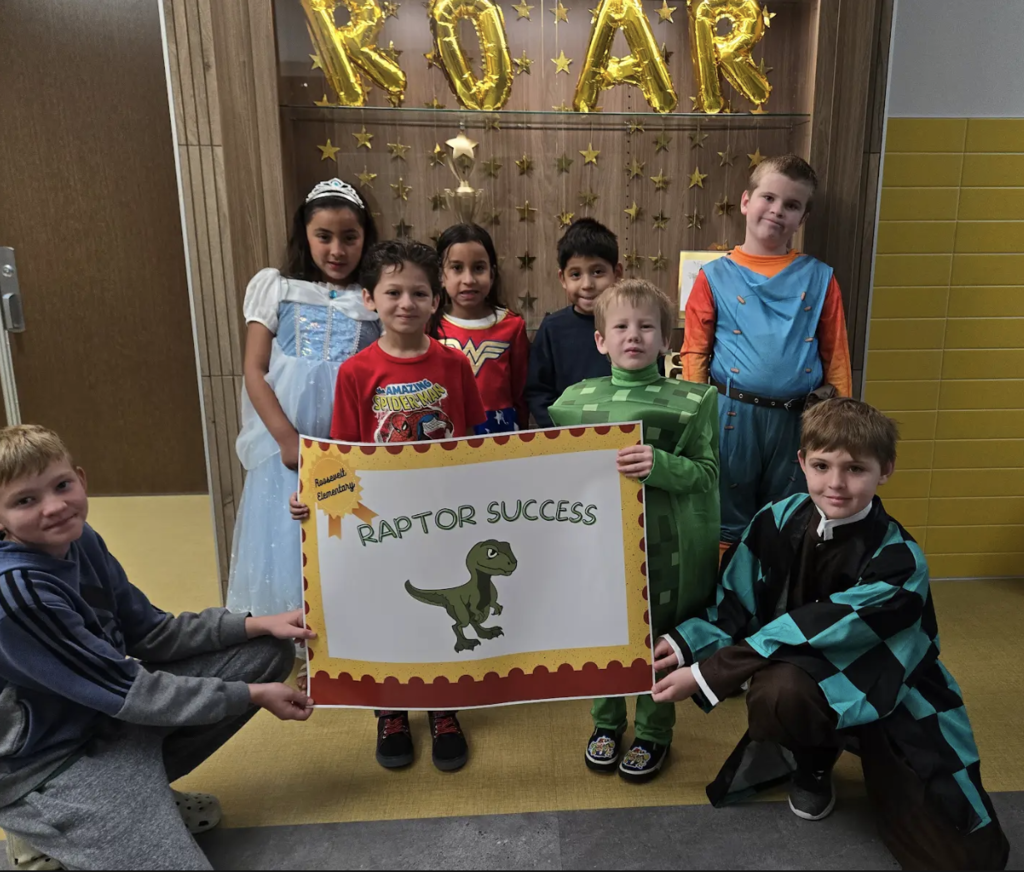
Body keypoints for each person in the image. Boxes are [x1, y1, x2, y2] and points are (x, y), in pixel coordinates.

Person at [651, 398, 1010, 871]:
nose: (836, 483)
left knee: (965, 856)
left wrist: (707, 675)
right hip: (805, 685)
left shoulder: (900, 561)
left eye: (855, 468)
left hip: (891, 690)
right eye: (822, 466)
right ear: (801, 462)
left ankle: (871, 756)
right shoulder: (775, 519)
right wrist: (681, 646)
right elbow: (734, 605)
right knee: (778, 690)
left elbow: (811, 628)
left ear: (886, 470)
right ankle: (813, 763)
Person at [0, 425, 314, 872]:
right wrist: (250, 695)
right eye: (25, 501)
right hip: (47, 762)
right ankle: (45, 825)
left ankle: (135, 798)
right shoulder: (20, 594)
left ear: (81, 479)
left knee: (265, 651)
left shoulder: (79, 539)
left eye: (62, 485)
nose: (54, 507)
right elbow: (131, 690)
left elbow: (152, 634)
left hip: (106, 717)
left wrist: (254, 623)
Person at [291, 239, 485, 772]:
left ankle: (443, 705)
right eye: (393, 292)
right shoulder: (356, 372)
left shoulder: (454, 364)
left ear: (436, 299)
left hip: (443, 516)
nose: (406, 303)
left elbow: (475, 443)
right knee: (387, 606)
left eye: (419, 293)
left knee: (440, 603)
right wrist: (313, 500)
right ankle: (391, 708)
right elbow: (340, 454)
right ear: (370, 299)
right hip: (379, 522)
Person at [549, 279, 719, 782]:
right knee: (603, 631)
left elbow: (707, 474)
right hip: (598, 543)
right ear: (600, 339)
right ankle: (606, 722)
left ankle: (653, 732)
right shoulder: (572, 402)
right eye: (621, 326)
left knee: (658, 637)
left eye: (647, 327)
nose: (633, 335)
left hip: (664, 546)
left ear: (666, 339)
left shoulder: (692, 401)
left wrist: (660, 464)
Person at [680, 155, 852, 554]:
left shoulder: (820, 277)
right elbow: (695, 354)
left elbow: (837, 357)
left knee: (791, 518)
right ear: (746, 201)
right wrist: (696, 423)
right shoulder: (713, 276)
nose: (777, 210)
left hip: (799, 420)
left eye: (791, 205)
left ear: (802, 218)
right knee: (725, 518)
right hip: (730, 419)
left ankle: (778, 590)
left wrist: (840, 427)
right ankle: (726, 590)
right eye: (768, 198)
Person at [227, 178, 380, 618]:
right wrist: (286, 440)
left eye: (350, 238)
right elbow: (255, 369)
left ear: (365, 238)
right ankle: (295, 641)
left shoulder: (374, 298)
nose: (337, 250)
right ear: (305, 235)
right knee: (290, 545)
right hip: (288, 450)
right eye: (324, 236)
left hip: (350, 446)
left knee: (347, 541)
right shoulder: (277, 287)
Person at [525, 217, 623, 427]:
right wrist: (560, 430)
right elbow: (538, 391)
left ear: (617, 273)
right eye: (576, 274)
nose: (587, 284)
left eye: (597, 272)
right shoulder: (552, 328)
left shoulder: (632, 325)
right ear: (563, 278)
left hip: (625, 433)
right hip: (567, 436)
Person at [433, 223, 530, 433]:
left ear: (492, 274)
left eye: (478, 268)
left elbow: (521, 391)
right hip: (447, 428)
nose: (468, 280)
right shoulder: (430, 326)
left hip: (500, 429)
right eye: (457, 268)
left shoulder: (512, 325)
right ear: (441, 275)